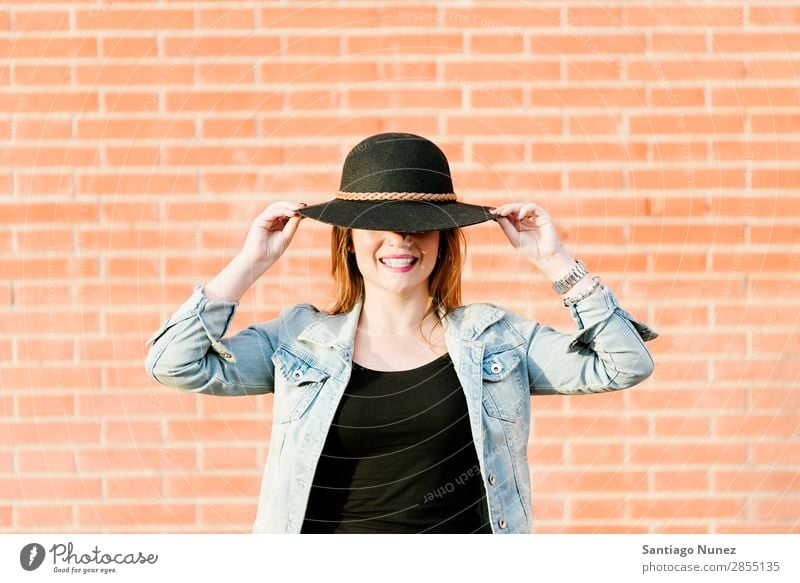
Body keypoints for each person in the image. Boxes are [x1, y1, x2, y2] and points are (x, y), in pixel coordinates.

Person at [145, 132, 658, 534]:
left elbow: (624, 363)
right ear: (349, 240)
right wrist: (250, 262)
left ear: (442, 239)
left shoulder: (497, 341)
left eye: (418, 223)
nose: (401, 239)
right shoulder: (298, 341)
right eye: (380, 223)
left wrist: (555, 262)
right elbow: (174, 363)